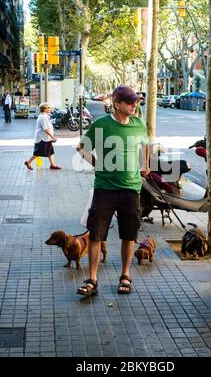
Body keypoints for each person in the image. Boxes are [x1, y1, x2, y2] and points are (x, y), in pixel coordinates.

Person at [76, 85, 150, 297]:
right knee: (96, 235)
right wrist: (97, 164)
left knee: (129, 235)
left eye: (136, 101)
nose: (135, 104)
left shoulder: (138, 124)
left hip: (130, 188)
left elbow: (145, 144)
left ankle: (125, 275)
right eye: (130, 102)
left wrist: (146, 165)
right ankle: (92, 279)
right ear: (117, 105)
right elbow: (82, 148)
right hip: (105, 189)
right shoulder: (102, 124)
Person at [24, 102, 61, 171]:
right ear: (44, 109)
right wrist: (53, 137)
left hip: (46, 138)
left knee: (50, 151)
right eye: (48, 107)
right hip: (42, 138)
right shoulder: (43, 117)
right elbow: (45, 129)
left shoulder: (46, 116)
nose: (50, 109)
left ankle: (52, 165)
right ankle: (28, 162)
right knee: (38, 152)